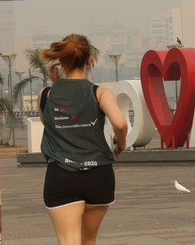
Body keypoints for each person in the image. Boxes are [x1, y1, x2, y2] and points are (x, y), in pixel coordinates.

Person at [38, 34, 128, 244]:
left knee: (69, 241)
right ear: (90, 60)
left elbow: (50, 124)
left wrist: (57, 84)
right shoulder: (100, 93)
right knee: (89, 240)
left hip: (62, 175)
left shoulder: (46, 95)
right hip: (99, 175)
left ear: (61, 62)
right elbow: (121, 123)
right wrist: (120, 143)